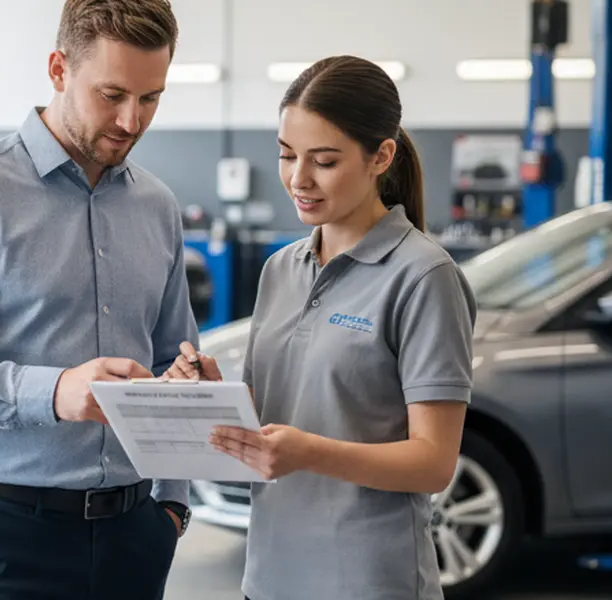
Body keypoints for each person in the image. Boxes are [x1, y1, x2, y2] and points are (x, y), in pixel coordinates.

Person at [0, 1, 199, 598]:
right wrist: (55, 392)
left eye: (150, 98)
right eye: (112, 95)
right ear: (59, 69)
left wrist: (172, 506)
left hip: (135, 536)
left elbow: (173, 358)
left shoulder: (157, 206)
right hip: (1, 541)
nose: (132, 121)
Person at [164, 55, 477, 600]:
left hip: (368, 581)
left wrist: (310, 452)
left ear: (381, 156)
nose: (297, 179)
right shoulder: (281, 269)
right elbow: (277, 420)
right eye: (286, 156)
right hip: (268, 578)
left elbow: (433, 463)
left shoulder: (424, 276)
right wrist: (215, 399)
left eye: (324, 161)